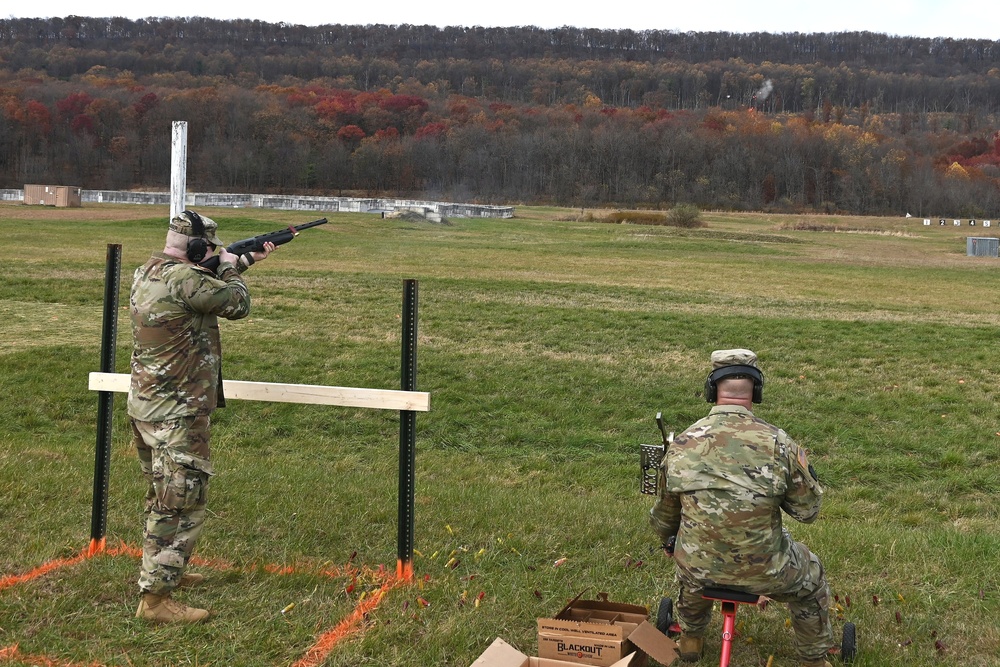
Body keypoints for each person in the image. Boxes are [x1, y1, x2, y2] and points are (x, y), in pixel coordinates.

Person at [128, 210, 274, 623]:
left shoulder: (150, 272)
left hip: (147, 406)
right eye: (209, 247)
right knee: (182, 504)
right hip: (178, 412)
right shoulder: (189, 280)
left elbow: (201, 288)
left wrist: (239, 261)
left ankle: (165, 571)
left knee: (160, 498)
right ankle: (156, 601)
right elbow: (237, 303)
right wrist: (232, 269)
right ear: (197, 248)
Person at [649, 349, 834, 667]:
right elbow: (807, 512)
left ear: (711, 390)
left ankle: (691, 639)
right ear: (757, 391)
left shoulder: (682, 444)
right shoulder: (780, 444)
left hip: (700, 566)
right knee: (811, 578)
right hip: (766, 571)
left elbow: (665, 518)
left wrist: (671, 540)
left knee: (692, 565)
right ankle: (814, 659)